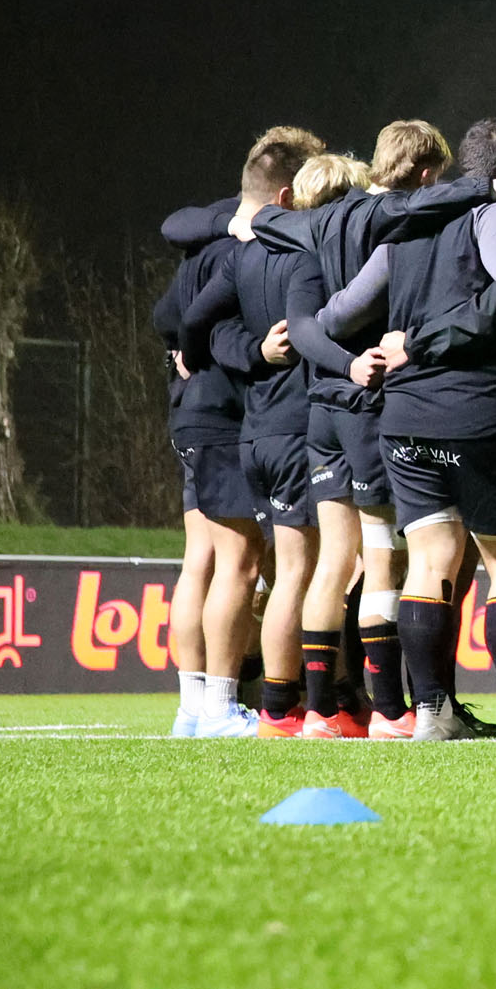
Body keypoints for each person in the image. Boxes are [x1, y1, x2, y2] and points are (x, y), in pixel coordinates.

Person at [316, 118, 496, 740]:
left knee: (428, 564)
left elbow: (339, 315)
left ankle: (431, 713)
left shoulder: (405, 229)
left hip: (404, 419)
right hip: (477, 414)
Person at [180, 137, 341, 736]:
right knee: (290, 570)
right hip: (292, 425)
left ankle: (212, 708)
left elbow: (192, 318)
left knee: (254, 567)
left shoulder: (241, 255)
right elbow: (306, 328)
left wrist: (213, 354)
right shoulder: (306, 254)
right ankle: (277, 708)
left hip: (252, 431)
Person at [153, 194, 241, 737]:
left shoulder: (199, 246)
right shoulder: (242, 247)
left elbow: (166, 315)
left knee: (199, 560)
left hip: (187, 412)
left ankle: (192, 708)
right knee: (238, 563)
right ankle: (220, 709)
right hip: (225, 417)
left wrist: (182, 348)